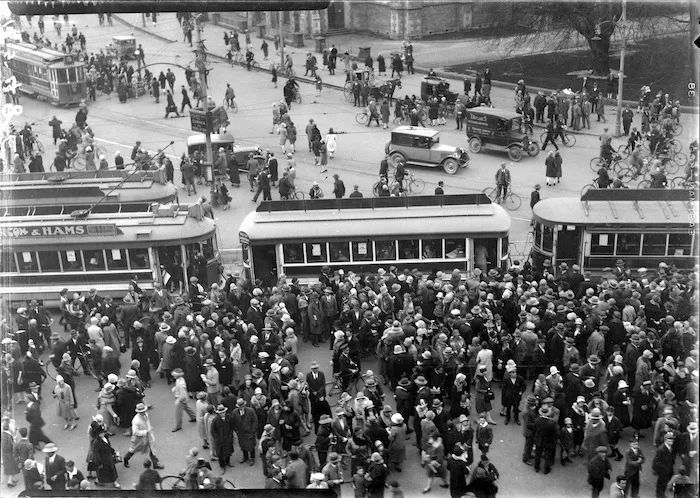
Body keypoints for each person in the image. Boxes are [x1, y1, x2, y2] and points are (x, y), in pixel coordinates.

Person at [123, 403, 163, 470]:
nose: (144, 412)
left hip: (147, 436)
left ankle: (155, 463)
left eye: (144, 410)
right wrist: (146, 431)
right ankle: (126, 458)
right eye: (142, 412)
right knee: (134, 449)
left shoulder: (145, 415)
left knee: (151, 448)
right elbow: (135, 432)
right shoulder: (136, 421)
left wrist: (149, 428)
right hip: (139, 438)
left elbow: (147, 423)